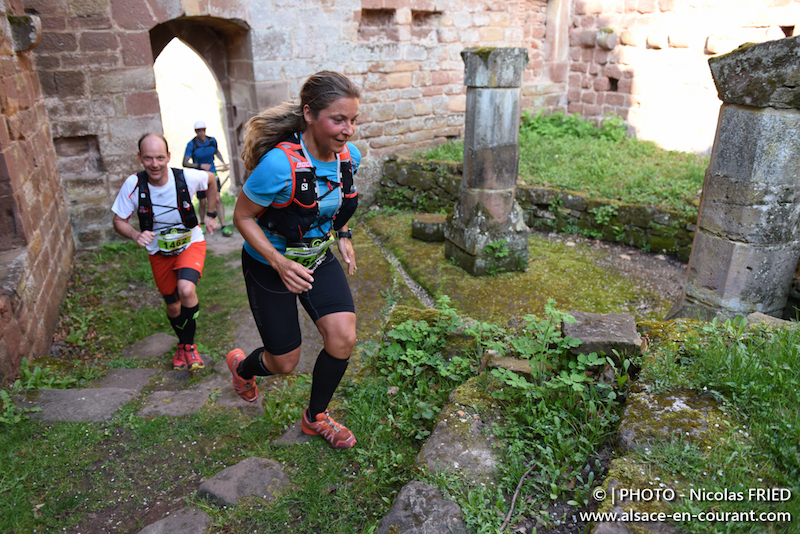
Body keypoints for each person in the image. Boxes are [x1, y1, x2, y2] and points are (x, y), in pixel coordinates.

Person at [227, 71, 361, 450]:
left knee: (343, 338)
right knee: (284, 363)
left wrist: (345, 235)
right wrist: (278, 262)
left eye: (353, 120)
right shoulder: (277, 165)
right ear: (309, 114)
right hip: (270, 264)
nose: (348, 130)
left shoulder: (350, 157)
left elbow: (340, 205)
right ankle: (242, 368)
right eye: (338, 119)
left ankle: (315, 417)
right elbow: (242, 217)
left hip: (316, 256)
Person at [112, 133, 219, 371]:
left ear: (169, 157)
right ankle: (182, 344)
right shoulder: (134, 185)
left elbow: (211, 180)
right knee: (173, 305)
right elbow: (119, 220)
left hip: (190, 242)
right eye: (148, 158)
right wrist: (135, 235)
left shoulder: (186, 177)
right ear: (140, 158)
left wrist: (210, 214)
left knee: (186, 289)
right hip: (158, 252)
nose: (155, 164)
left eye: (160, 158)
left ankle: (189, 347)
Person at [183, 121, 233, 237]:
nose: (201, 133)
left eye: (203, 130)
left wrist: (223, 163)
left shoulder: (212, 141)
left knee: (217, 199)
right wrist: (200, 166)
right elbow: (185, 162)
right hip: (200, 177)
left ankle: (223, 226)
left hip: (213, 174)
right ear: (196, 132)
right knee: (202, 202)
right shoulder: (192, 144)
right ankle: (202, 224)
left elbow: (216, 151)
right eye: (198, 131)